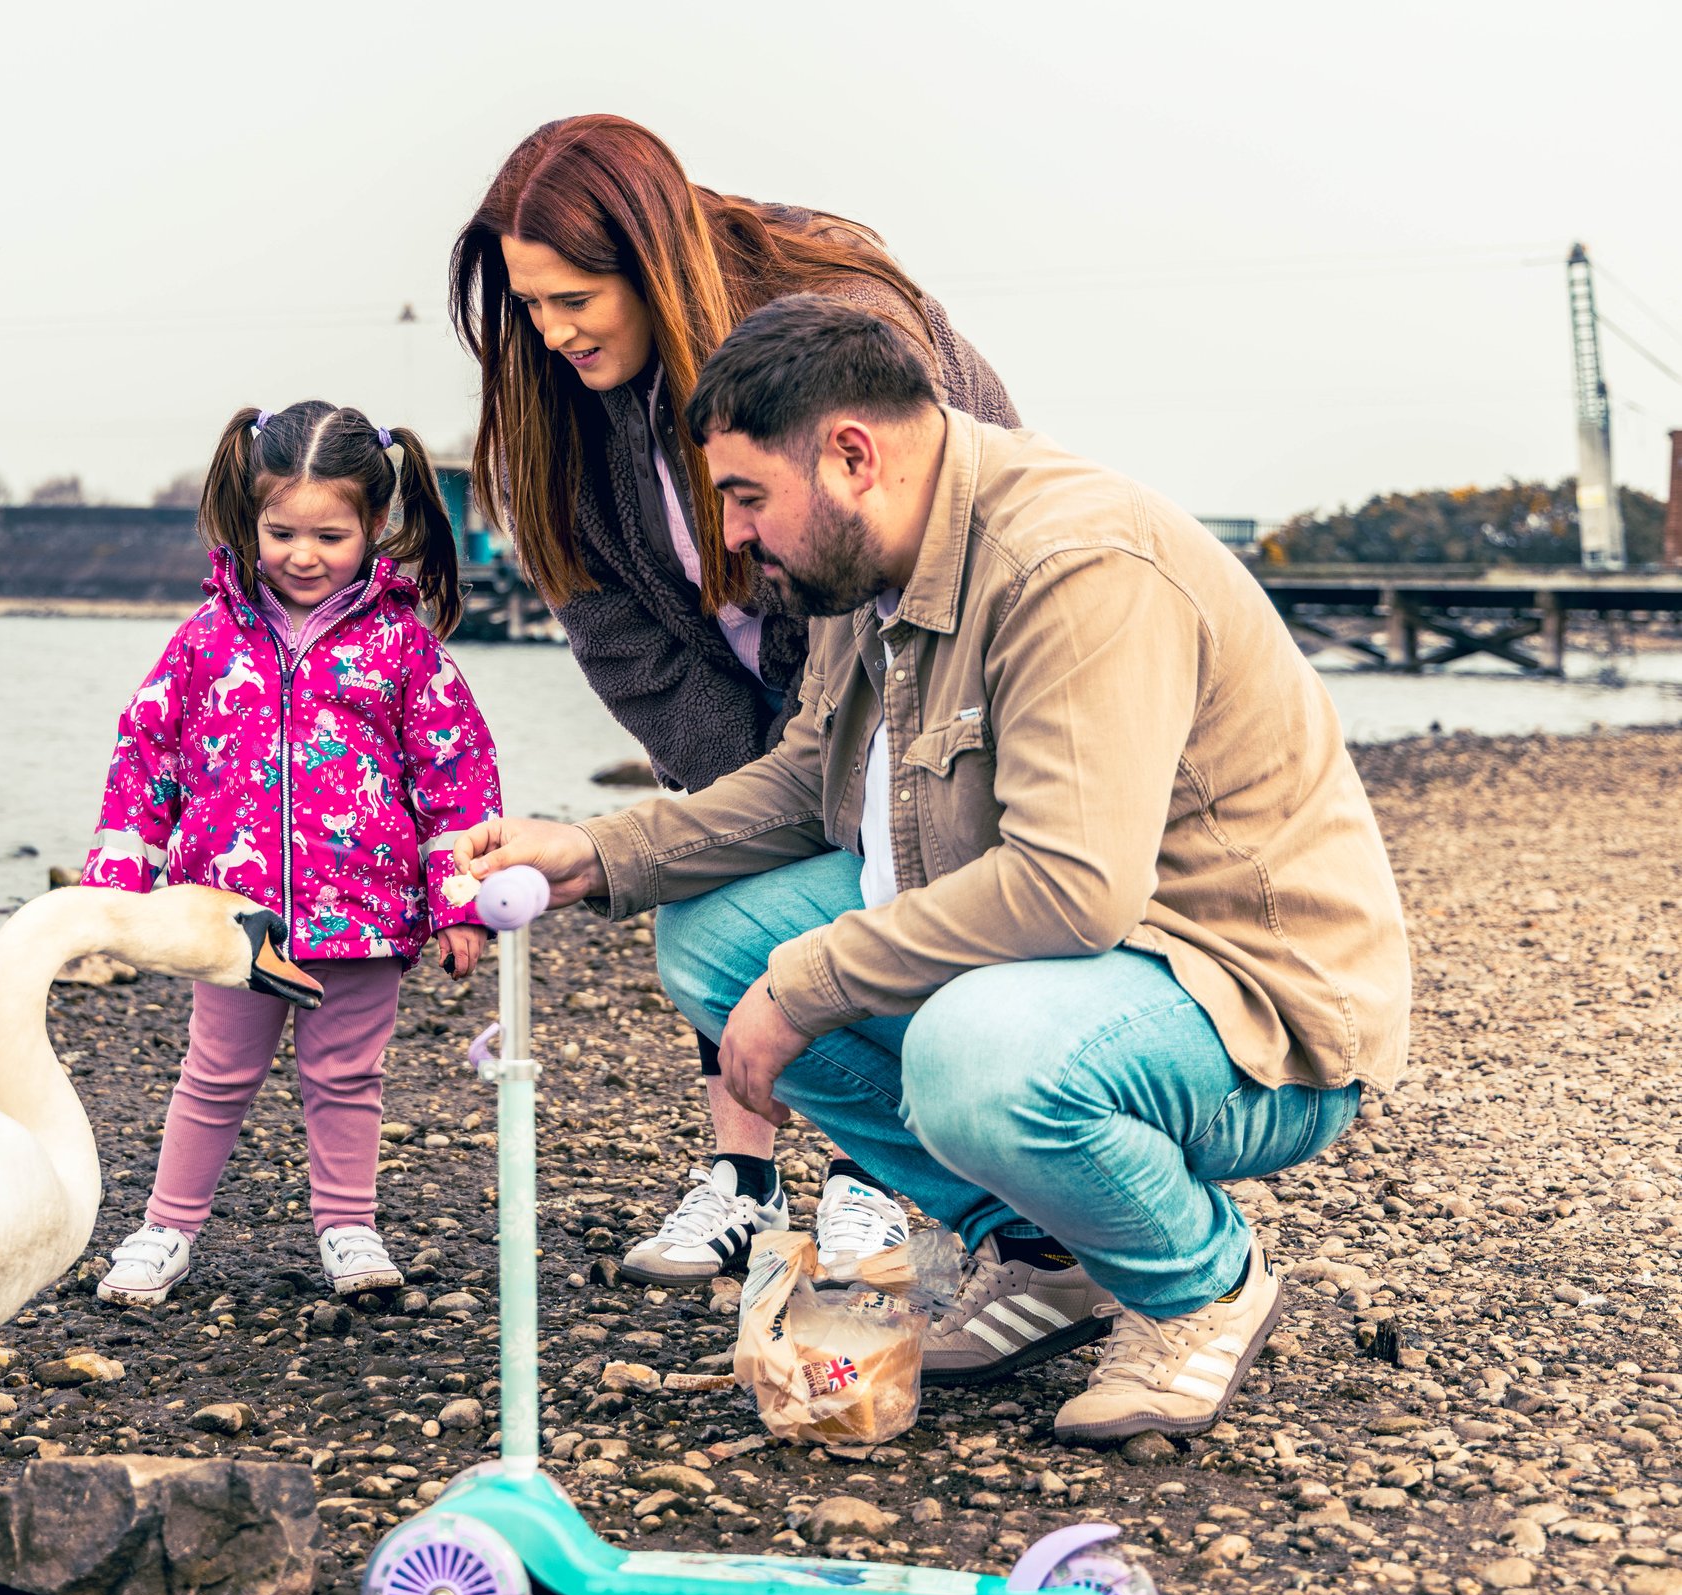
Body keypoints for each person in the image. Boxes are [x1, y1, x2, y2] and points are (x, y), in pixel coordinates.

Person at [462, 297, 1410, 1442]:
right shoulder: (880, 564)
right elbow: (809, 775)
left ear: (852, 455)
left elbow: (1069, 884)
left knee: (974, 1057)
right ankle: (1046, 1251)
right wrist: (597, 848)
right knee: (711, 935)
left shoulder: (1072, 564)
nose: (736, 538)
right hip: (1098, 962)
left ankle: (1198, 1283)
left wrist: (807, 983)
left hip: (1246, 997)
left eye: (748, 496)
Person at [451, 114, 1020, 1290]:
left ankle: (880, 1177)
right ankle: (742, 1176)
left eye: (574, 299)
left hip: (904, 652)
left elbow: (886, 549)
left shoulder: (833, 315)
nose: (550, 333)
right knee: (719, 876)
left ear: (651, 261)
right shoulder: (564, 402)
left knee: (894, 877)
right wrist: (736, 777)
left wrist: (828, 767)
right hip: (730, 671)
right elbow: (602, 612)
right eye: (529, 305)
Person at [83, 400, 504, 1307]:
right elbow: (146, 758)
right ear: (250, 520)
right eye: (281, 531)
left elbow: (454, 781)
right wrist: (115, 894)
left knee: (348, 1077)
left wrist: (460, 900)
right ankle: (166, 1227)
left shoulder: (402, 647)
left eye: (330, 533)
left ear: (375, 528)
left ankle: (348, 1225)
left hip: (361, 913)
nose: (302, 554)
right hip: (231, 917)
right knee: (214, 1073)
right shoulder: (205, 641)